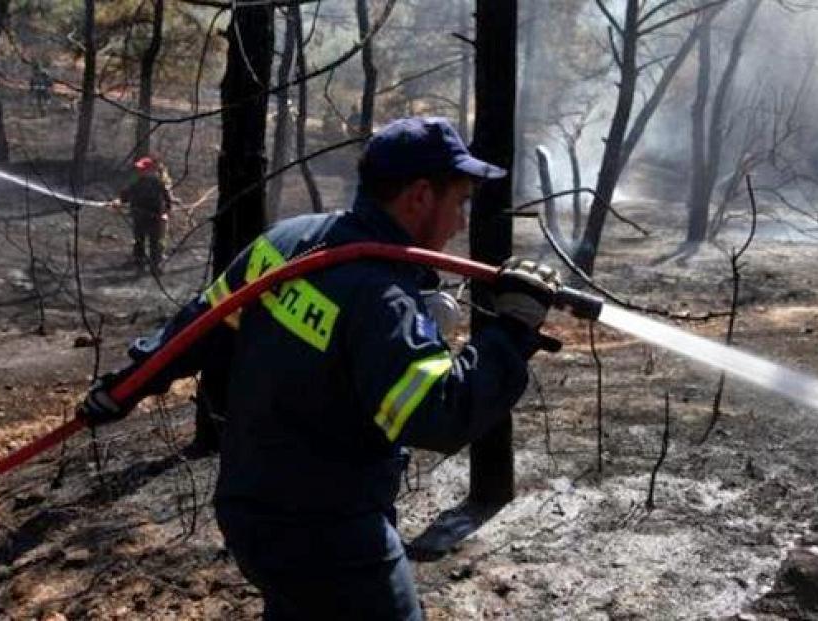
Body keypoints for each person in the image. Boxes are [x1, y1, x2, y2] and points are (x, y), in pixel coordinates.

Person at [78, 117, 561, 620]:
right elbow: (436, 414)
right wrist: (511, 331)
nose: (461, 222)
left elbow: (198, 328)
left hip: (249, 507)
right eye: (459, 201)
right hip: (331, 536)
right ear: (419, 196)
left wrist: (123, 389)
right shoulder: (380, 297)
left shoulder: (288, 242)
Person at [111, 157, 173, 274]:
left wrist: (166, 212)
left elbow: (167, 198)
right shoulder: (136, 181)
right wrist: (118, 201)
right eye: (139, 169)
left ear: (150, 171)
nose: (139, 171)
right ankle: (139, 262)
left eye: (142, 169)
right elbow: (126, 193)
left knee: (155, 242)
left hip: (154, 217)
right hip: (138, 216)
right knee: (139, 240)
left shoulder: (159, 183)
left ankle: (155, 265)